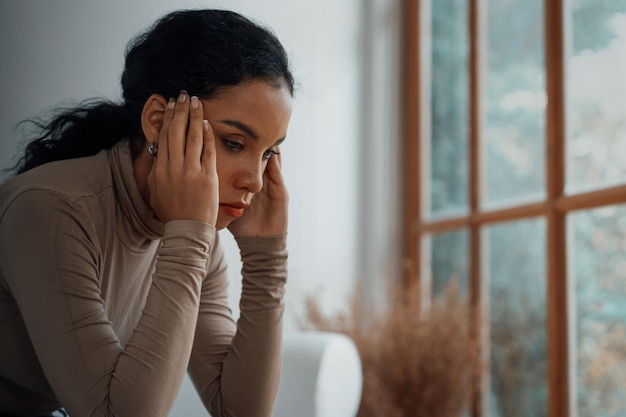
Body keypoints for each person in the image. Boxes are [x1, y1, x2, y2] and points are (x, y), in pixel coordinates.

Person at [0, 8, 294, 417]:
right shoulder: (49, 209)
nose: (255, 181)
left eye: (269, 152)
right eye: (233, 143)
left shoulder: (196, 237)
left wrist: (267, 261)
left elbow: (241, 410)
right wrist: (189, 235)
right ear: (158, 122)